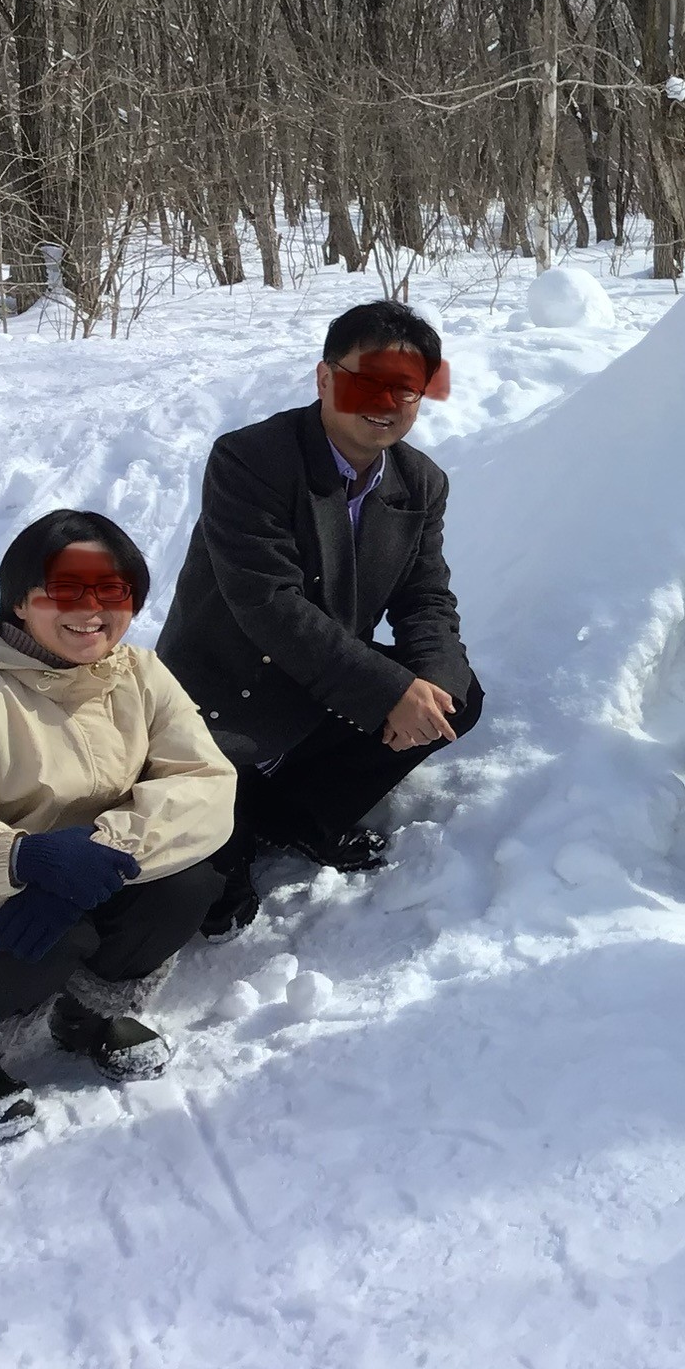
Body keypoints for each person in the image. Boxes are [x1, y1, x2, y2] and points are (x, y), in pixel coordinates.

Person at [0, 512, 235, 1143]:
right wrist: (18, 862)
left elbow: (206, 785)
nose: (91, 610)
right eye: (64, 591)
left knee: (186, 885)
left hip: (80, 875)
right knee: (56, 931)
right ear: (21, 603)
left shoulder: (138, 675)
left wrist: (100, 847)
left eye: (112, 591)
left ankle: (87, 1016)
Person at [159, 300, 483, 939]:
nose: (386, 403)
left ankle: (300, 814)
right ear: (325, 379)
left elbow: (425, 597)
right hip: (230, 685)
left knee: (454, 700)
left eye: (407, 388)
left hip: (321, 677)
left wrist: (433, 679)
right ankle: (235, 811)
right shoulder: (251, 460)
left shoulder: (420, 483)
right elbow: (268, 603)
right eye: (367, 382)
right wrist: (386, 689)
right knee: (203, 900)